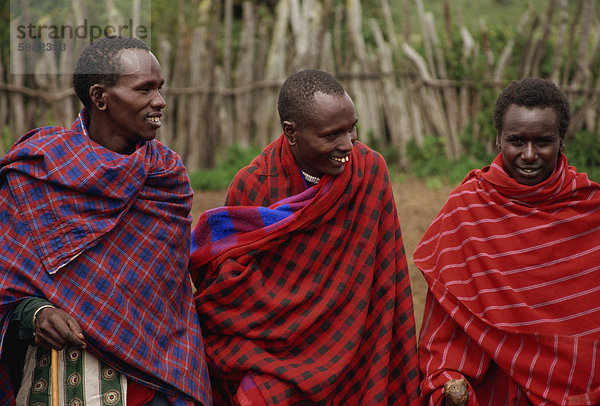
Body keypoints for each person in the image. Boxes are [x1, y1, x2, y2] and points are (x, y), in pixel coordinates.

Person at [0, 36, 212, 405]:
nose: (159, 101)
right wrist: (36, 314)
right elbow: (7, 281)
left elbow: (171, 303)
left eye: (159, 89)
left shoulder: (166, 178)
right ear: (100, 97)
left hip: (153, 387)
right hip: (58, 384)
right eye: (144, 89)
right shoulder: (39, 172)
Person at [189, 69, 420, 405]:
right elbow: (228, 285)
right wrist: (291, 321)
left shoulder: (370, 170)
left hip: (354, 338)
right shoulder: (255, 184)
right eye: (331, 135)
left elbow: (387, 274)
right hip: (274, 346)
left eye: (351, 128)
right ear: (291, 132)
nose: (347, 144)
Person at [414, 77, 600, 405]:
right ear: (498, 139)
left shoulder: (590, 212)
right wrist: (450, 382)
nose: (529, 155)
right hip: (496, 392)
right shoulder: (467, 210)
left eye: (542, 141)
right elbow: (449, 328)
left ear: (562, 141)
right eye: (517, 141)